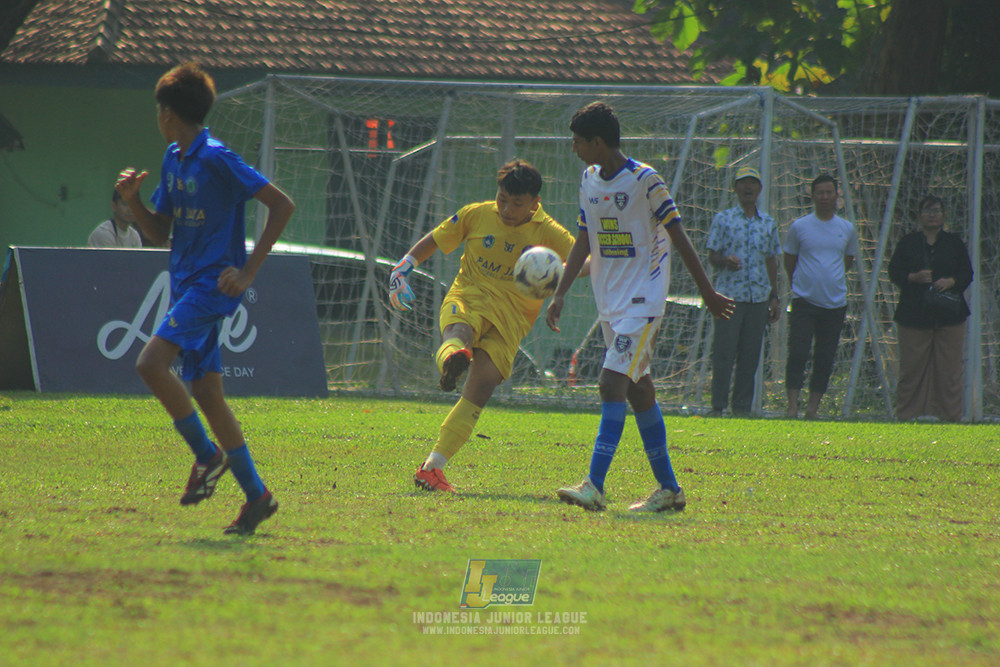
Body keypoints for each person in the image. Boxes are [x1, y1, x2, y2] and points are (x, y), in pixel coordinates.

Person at [114, 62, 295, 535]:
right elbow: (158, 233)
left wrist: (249, 271)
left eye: (158, 110)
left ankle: (207, 455)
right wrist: (133, 200)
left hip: (212, 285)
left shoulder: (216, 156)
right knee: (209, 395)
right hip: (186, 282)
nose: (158, 118)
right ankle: (257, 496)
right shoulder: (175, 159)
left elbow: (281, 204)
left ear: (168, 112)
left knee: (150, 364)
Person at [546, 101, 734, 513]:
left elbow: (679, 237)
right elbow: (584, 237)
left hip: (644, 303)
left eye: (578, 142)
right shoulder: (589, 179)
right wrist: (560, 291)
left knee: (610, 383)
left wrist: (707, 291)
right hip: (610, 304)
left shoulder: (646, 180)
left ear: (598, 142)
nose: (574, 148)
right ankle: (670, 489)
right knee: (639, 391)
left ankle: (594, 485)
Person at [389, 159, 575, 493]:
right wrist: (404, 266)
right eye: (502, 199)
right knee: (458, 334)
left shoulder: (549, 232)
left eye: (517, 204)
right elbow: (435, 238)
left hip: (511, 320)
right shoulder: (476, 213)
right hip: (469, 296)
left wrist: (559, 272)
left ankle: (432, 468)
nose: (506, 209)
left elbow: (582, 259)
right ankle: (453, 359)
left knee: (480, 388)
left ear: (535, 203)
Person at [888, 195, 972, 422]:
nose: (932, 215)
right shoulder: (908, 242)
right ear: (919, 216)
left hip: (949, 314)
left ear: (944, 215)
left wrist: (951, 282)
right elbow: (894, 271)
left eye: (937, 210)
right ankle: (906, 415)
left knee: (950, 370)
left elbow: (967, 273)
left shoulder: (954, 243)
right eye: (927, 211)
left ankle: (951, 416)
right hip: (914, 313)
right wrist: (912, 277)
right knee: (911, 369)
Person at [705, 165, 781, 417]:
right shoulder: (723, 219)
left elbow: (772, 259)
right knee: (724, 353)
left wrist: (774, 295)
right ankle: (718, 406)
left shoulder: (768, 223)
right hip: (729, 297)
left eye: (752, 183)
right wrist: (726, 260)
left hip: (758, 298)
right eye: (742, 183)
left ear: (759, 188)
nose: (748, 188)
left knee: (750, 356)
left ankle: (742, 409)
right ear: (735, 188)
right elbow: (712, 255)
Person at [782, 174, 858, 419]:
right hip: (804, 301)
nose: (825, 197)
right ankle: (792, 407)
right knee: (798, 352)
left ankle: (812, 409)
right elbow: (789, 261)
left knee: (825, 357)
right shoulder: (799, 226)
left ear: (836, 195)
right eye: (820, 193)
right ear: (812, 196)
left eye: (829, 192)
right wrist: (805, 282)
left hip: (835, 304)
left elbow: (847, 260)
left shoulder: (846, 228)